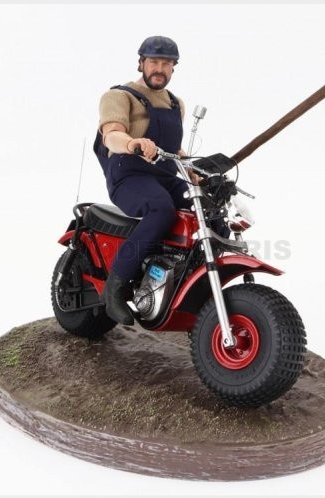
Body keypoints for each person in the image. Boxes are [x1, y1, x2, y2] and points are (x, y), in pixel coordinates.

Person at [93, 35, 199, 326]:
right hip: (129, 176)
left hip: (164, 176)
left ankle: (193, 277)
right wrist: (132, 143)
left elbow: (174, 149)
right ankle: (115, 287)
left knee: (206, 205)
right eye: (154, 61)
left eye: (167, 63)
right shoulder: (119, 96)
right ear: (141, 63)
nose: (160, 69)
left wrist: (191, 169)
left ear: (174, 67)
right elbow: (112, 135)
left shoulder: (176, 104)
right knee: (161, 209)